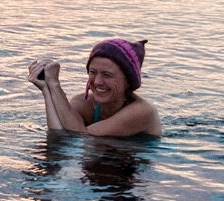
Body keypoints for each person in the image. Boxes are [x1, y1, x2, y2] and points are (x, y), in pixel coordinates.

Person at [26, 38, 162, 137]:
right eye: (92, 72)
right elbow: (59, 133)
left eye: (107, 75)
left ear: (128, 81)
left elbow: (79, 136)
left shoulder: (143, 111)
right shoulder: (83, 102)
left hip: (129, 169)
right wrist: (46, 90)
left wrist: (54, 85)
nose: (97, 82)